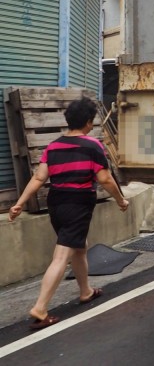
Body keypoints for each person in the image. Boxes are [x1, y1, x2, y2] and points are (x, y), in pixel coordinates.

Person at [7, 97, 129, 330]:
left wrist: (20, 203)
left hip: (57, 202)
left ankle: (85, 291)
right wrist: (120, 200)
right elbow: (104, 179)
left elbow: (39, 177)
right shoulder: (93, 146)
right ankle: (40, 308)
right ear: (87, 122)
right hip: (78, 204)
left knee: (78, 246)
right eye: (91, 121)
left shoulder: (53, 147)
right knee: (62, 255)